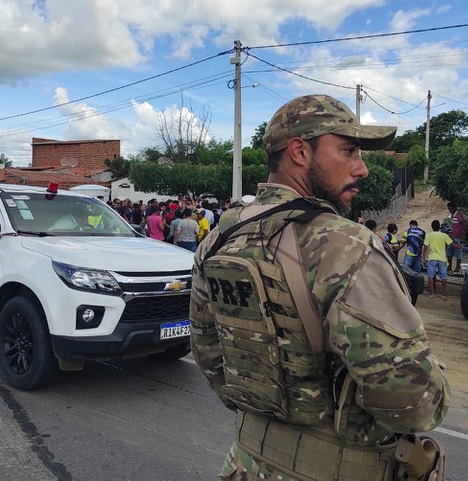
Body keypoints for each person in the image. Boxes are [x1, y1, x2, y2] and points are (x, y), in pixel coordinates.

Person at [191, 94, 449, 480]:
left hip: (245, 465)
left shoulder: (219, 239)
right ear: (300, 151)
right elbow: (414, 404)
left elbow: (210, 356)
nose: (362, 168)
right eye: (348, 151)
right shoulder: (346, 246)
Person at [422, 219, 460, 300]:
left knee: (430, 276)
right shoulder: (444, 235)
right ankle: (443, 294)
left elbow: (425, 247)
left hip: (432, 257)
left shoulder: (429, 235)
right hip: (442, 258)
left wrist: (424, 258)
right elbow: (452, 244)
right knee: (444, 277)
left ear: (432, 227)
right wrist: (460, 246)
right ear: (439, 227)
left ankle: (432, 293)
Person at [446, 201, 467, 274]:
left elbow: (464, 224)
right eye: (449, 209)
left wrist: (463, 233)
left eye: (451, 208)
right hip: (452, 237)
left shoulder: (458, 215)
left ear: (455, 208)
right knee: (449, 251)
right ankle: (449, 267)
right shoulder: (453, 215)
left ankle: (458, 267)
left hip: (458, 237)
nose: (450, 210)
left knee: (458, 252)